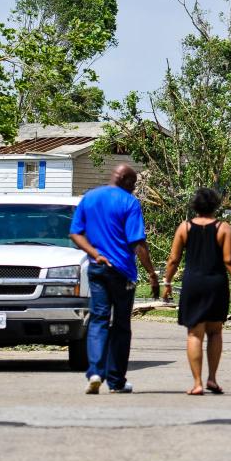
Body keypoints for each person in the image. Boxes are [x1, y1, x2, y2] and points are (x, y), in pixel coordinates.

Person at [69, 164, 159, 395]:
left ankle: (96, 373)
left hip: (97, 268)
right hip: (122, 271)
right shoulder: (129, 203)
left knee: (98, 319)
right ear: (127, 181)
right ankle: (116, 381)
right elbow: (137, 243)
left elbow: (75, 233)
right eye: (134, 183)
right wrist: (151, 274)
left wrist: (95, 253)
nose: (135, 187)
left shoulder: (90, 197)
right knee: (121, 325)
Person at [163, 188, 231, 395]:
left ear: (194, 206)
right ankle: (212, 379)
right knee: (215, 331)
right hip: (216, 283)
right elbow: (230, 260)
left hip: (193, 284)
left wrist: (167, 283)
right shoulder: (223, 228)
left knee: (194, 333)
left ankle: (197, 383)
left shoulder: (184, 227)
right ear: (215, 206)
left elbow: (173, 260)